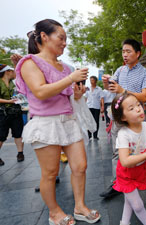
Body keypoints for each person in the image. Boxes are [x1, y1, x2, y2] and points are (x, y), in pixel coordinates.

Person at [15, 19, 100, 225]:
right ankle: (54, 213)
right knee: (51, 172)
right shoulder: (29, 62)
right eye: (61, 38)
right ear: (44, 36)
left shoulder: (64, 67)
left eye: (65, 39)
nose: (64, 43)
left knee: (80, 166)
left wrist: (78, 94)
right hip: (46, 123)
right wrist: (71, 79)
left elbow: (68, 96)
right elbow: (41, 91)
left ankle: (80, 207)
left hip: (68, 121)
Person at [100, 39, 146, 198]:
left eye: (128, 51)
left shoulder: (145, 73)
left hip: (135, 118)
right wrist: (106, 82)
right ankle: (117, 182)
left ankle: (136, 178)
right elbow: (110, 89)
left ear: (138, 53)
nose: (125, 54)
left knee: (136, 149)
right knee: (118, 150)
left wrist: (124, 90)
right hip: (118, 116)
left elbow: (144, 96)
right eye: (123, 51)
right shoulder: (120, 70)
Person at [111, 92, 146, 225]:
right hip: (126, 173)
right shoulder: (123, 134)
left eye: (138, 104)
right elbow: (125, 161)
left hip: (139, 169)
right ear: (123, 117)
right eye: (131, 108)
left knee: (129, 200)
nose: (139, 109)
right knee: (137, 205)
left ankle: (124, 222)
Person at [0, 63, 24, 166]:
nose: (13, 72)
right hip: (2, 113)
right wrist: (9, 101)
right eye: (11, 70)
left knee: (18, 133)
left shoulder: (13, 83)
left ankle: (20, 153)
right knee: (1, 136)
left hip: (16, 112)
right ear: (7, 72)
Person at [85, 76, 104, 140]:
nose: (91, 81)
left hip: (96, 107)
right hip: (89, 106)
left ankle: (95, 136)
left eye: (92, 80)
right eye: (90, 80)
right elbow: (86, 98)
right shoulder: (88, 88)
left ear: (95, 81)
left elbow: (101, 98)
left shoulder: (99, 89)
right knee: (89, 121)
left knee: (96, 121)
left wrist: (102, 107)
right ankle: (89, 135)